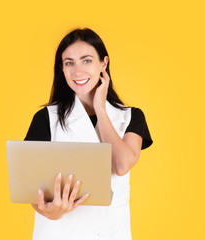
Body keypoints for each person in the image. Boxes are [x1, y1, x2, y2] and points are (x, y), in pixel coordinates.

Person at [24, 28, 153, 240]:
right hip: (60, 233)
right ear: (62, 69)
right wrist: (48, 211)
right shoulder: (46, 117)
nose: (77, 71)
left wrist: (100, 108)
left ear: (104, 63)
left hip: (111, 233)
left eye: (86, 61)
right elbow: (29, 187)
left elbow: (121, 165)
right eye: (69, 63)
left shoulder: (131, 117)